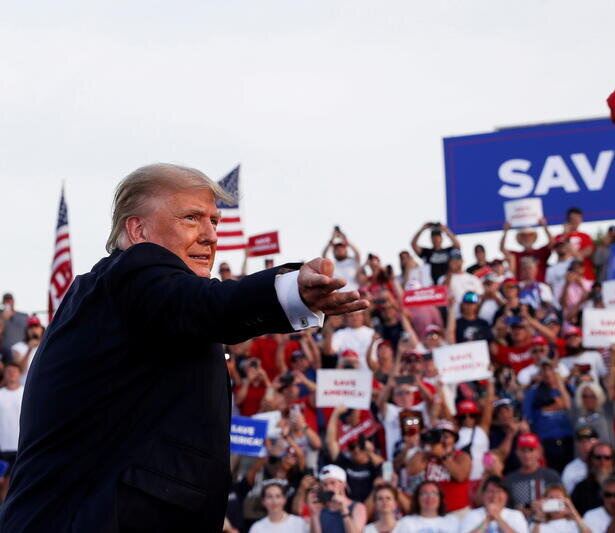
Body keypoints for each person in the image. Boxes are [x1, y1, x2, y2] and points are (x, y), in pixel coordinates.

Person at [0, 164, 367, 532]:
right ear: (138, 229)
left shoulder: (122, 301)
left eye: (214, 221)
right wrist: (291, 292)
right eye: (191, 218)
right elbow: (205, 305)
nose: (210, 236)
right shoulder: (133, 271)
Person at [406, 420, 472, 514]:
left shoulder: (462, 456)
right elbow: (411, 470)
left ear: (454, 439)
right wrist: (424, 445)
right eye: (439, 437)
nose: (442, 441)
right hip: (433, 513)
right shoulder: (427, 455)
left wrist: (442, 455)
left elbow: (460, 476)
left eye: (446, 437)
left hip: (458, 512)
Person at [504, 433, 561, 521]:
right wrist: (522, 510)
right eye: (523, 450)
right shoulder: (509, 480)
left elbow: (561, 504)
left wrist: (542, 507)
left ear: (539, 452)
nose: (527, 455)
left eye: (531, 450)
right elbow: (505, 510)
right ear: (517, 452)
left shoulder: (551, 476)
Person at [309, 464, 367, 533]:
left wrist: (344, 511)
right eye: (325, 485)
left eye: (333, 483)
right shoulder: (320, 511)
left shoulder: (358, 507)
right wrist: (315, 515)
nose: (328, 488)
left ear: (343, 484)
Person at [458, 475, 528, 533]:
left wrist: (498, 518)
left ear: (506, 495)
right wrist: (487, 520)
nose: (494, 496)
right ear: (483, 495)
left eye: (499, 491)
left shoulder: (516, 515)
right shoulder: (472, 515)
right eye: (490, 491)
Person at [393, 481, 458, 533]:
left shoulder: (451, 521)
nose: (429, 498)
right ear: (417, 499)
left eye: (434, 494)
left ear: (440, 498)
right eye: (424, 494)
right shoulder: (407, 522)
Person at [0, 363, 23, 502]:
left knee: (19, 483)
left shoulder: (26, 392)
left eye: (15, 371)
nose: (12, 374)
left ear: (20, 374)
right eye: (8, 371)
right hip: (3, 447)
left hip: (21, 446)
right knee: (3, 485)